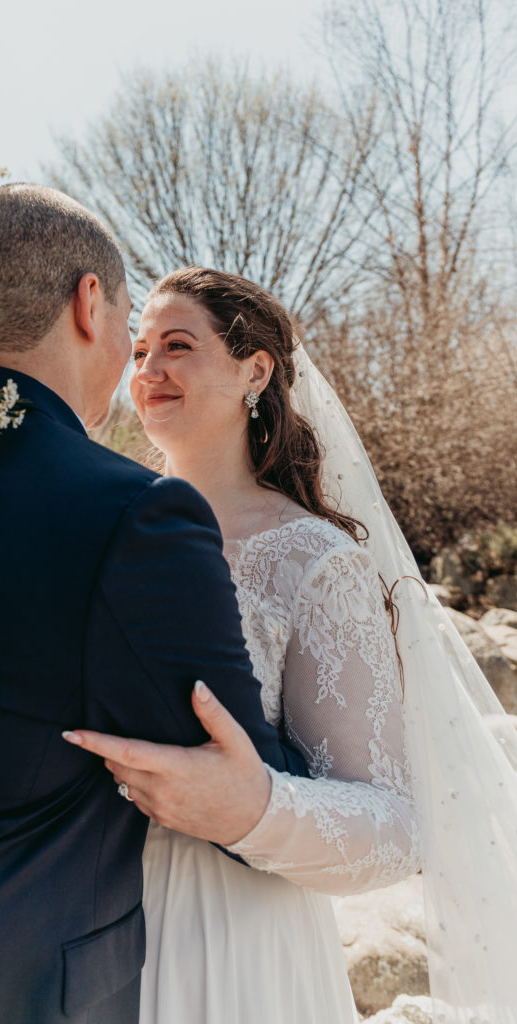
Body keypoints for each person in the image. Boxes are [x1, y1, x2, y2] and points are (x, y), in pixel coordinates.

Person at [0, 189, 308, 1024]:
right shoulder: (133, 515)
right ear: (89, 301)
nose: (137, 365)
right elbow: (237, 782)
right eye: (131, 333)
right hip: (0, 993)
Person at [67, 268, 517, 1024]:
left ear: (257, 369)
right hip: (78, 926)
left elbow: (398, 826)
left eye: (178, 346)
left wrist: (254, 808)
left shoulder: (313, 560)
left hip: (234, 940)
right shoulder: (91, 523)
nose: (149, 371)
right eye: (140, 351)